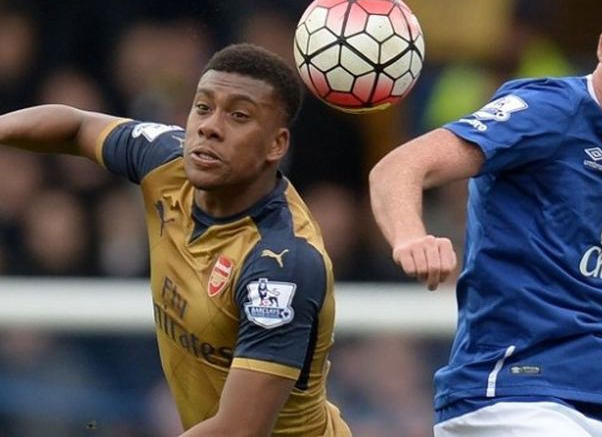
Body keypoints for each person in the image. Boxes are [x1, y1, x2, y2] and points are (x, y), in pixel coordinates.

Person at [369, 0, 602, 437]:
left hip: (583, 406)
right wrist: (410, 234)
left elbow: (582, 277)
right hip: (507, 397)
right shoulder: (550, 111)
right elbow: (399, 166)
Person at [0, 43, 351, 437]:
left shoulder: (282, 264)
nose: (209, 127)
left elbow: (240, 430)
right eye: (203, 107)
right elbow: (77, 126)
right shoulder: (167, 161)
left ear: (277, 144)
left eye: (238, 115)